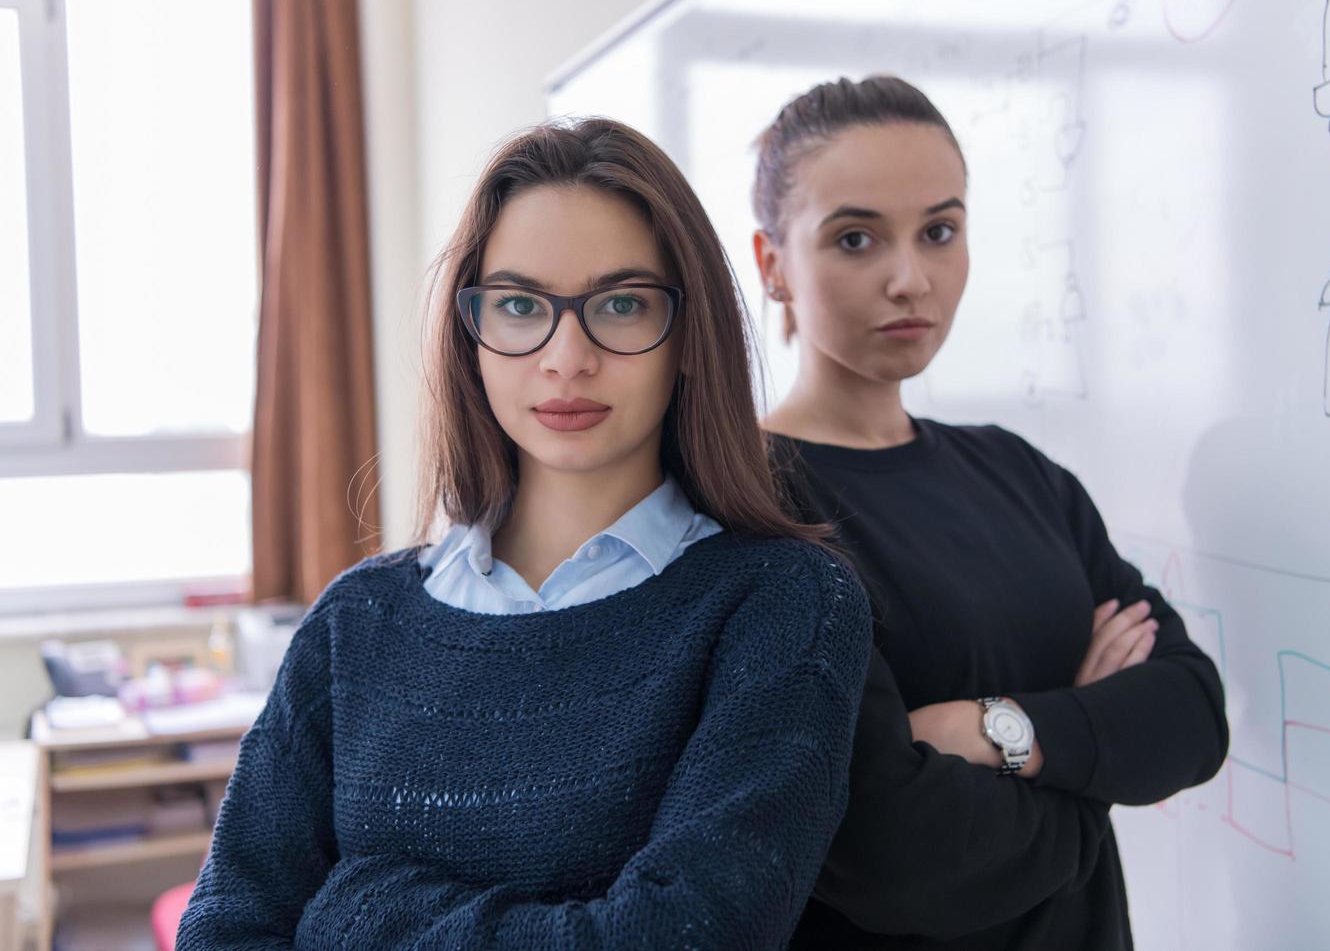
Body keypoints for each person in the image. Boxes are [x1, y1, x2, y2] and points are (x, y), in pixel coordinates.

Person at [176, 116, 873, 949]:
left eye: (620, 304)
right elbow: (226, 927)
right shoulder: (355, 621)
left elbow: (684, 937)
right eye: (518, 305)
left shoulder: (782, 604)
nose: (566, 357)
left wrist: (360, 911)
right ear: (471, 337)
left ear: (687, 336)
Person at [749, 76, 1229, 950]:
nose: (910, 278)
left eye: (940, 231)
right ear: (772, 263)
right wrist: (1090, 758)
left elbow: (1192, 714)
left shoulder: (1018, 472)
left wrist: (994, 730)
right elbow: (897, 855)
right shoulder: (752, 504)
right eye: (855, 239)